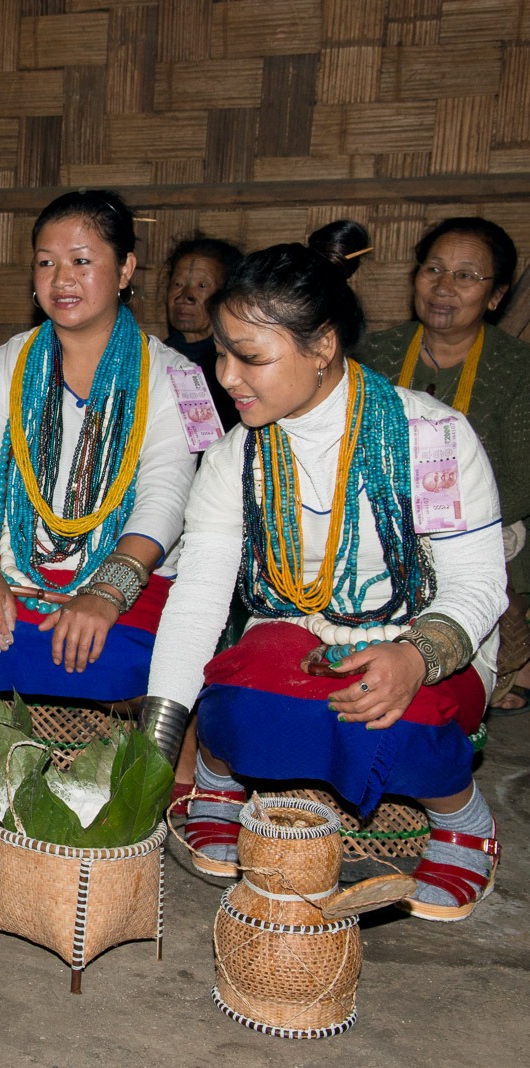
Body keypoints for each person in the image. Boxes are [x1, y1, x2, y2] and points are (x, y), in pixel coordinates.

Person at [140, 229, 505, 921]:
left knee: (403, 716)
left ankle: (464, 820)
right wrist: (158, 751)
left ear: (323, 346)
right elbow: (198, 603)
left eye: (250, 357)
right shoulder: (234, 459)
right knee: (234, 696)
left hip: (422, 636)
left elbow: (481, 584)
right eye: (220, 352)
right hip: (298, 633)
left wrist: (415, 655)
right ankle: (219, 775)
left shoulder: (429, 438)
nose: (225, 376)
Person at [0, 191, 200, 707]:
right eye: (46, 263)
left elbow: (168, 498)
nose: (61, 279)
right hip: (15, 571)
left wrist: (103, 594)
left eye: (81, 261)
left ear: (124, 270)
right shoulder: (2, 366)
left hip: (128, 579)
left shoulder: (179, 377)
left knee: (116, 665)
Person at [358, 217, 530, 713]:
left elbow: (523, 478)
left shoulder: (518, 368)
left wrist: (449, 517)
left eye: (465, 276)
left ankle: (482, 637)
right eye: (433, 269)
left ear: (495, 296)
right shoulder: (373, 356)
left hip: (487, 517)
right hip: (382, 508)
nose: (443, 287)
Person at [164, 235, 244, 431]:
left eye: (202, 286)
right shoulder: (152, 359)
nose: (185, 297)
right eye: (178, 284)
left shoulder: (236, 370)